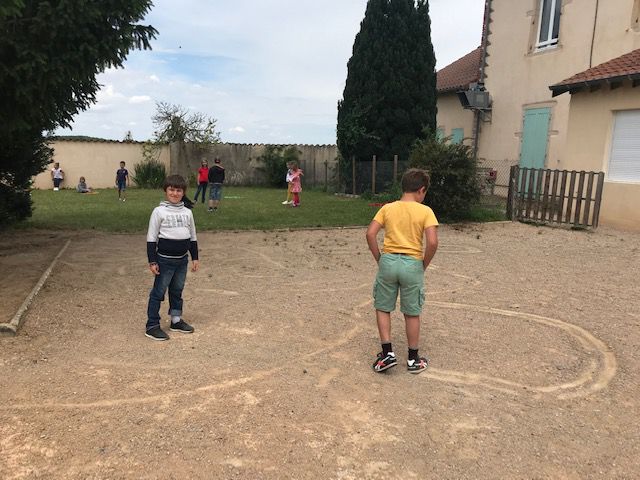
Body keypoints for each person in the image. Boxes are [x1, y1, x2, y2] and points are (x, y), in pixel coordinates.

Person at [365, 168, 439, 374]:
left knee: (383, 306)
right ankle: (413, 359)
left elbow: (370, 233)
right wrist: (422, 264)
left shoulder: (387, 208)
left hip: (388, 261)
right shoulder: (426, 211)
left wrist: (380, 259)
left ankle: (387, 354)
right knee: (412, 312)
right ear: (421, 190)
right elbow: (432, 242)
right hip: (412, 263)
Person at [145, 174, 199, 341]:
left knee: (177, 290)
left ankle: (176, 320)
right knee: (158, 292)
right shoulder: (159, 211)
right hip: (164, 260)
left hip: (182, 260)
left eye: (178, 190)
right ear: (165, 191)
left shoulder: (187, 212)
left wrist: (194, 257)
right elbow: (151, 238)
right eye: (171, 190)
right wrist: (152, 260)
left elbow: (192, 236)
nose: (175, 193)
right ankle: (152, 325)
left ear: (183, 192)